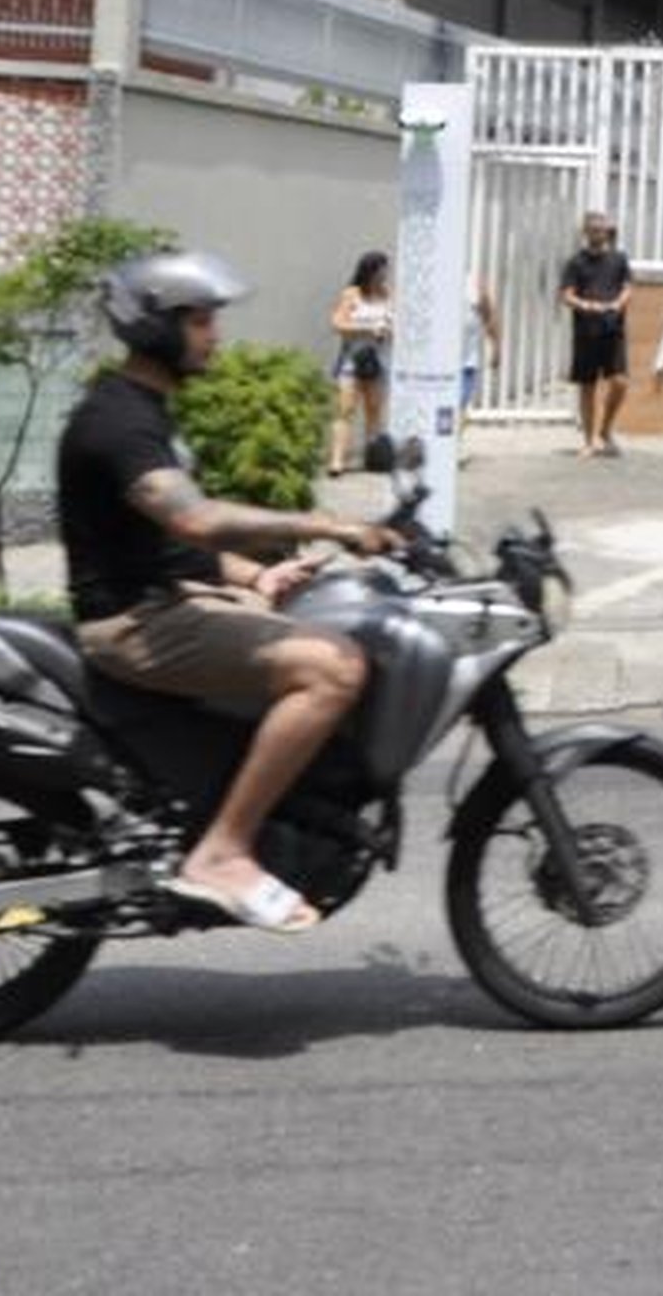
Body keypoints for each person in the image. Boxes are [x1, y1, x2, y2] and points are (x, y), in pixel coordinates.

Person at [59, 250, 401, 933]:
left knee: (312, 617)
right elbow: (194, 517)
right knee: (334, 668)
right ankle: (223, 851)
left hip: (158, 600)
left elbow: (162, 541)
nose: (215, 335)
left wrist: (256, 575)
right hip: (133, 623)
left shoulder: (143, 408)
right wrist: (330, 523)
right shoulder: (119, 420)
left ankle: (269, 813)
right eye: (203, 321)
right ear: (159, 328)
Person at [561, 210, 633, 457]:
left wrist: (618, 304)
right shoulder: (576, 262)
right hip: (586, 332)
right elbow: (567, 295)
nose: (597, 233)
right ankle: (589, 441)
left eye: (601, 229)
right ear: (585, 232)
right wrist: (588, 306)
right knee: (587, 387)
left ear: (607, 232)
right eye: (592, 229)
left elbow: (627, 288)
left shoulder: (619, 259)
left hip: (614, 330)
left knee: (620, 382)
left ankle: (605, 430)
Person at [324, 250, 393, 479]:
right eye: (381, 269)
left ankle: (371, 458)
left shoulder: (388, 295)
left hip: (378, 362)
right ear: (369, 270)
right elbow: (337, 324)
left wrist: (388, 331)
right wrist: (367, 329)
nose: (385, 274)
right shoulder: (352, 294)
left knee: (373, 411)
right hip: (352, 361)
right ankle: (337, 461)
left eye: (386, 269)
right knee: (345, 410)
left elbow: (396, 323)